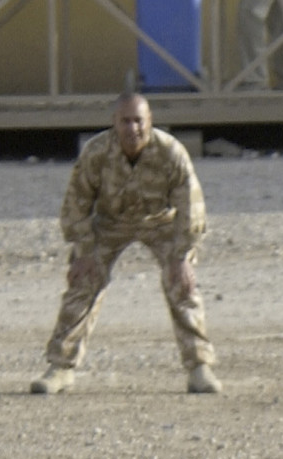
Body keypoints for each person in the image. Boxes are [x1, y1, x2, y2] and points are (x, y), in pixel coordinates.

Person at [31, 93, 218, 397]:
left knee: (182, 284)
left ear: (150, 122)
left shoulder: (171, 152)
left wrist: (182, 256)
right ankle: (60, 367)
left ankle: (199, 367)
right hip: (109, 224)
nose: (133, 128)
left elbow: (191, 207)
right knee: (83, 282)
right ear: (114, 124)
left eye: (138, 121)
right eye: (125, 121)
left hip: (160, 222)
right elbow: (76, 205)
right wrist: (83, 252)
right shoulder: (96, 153)